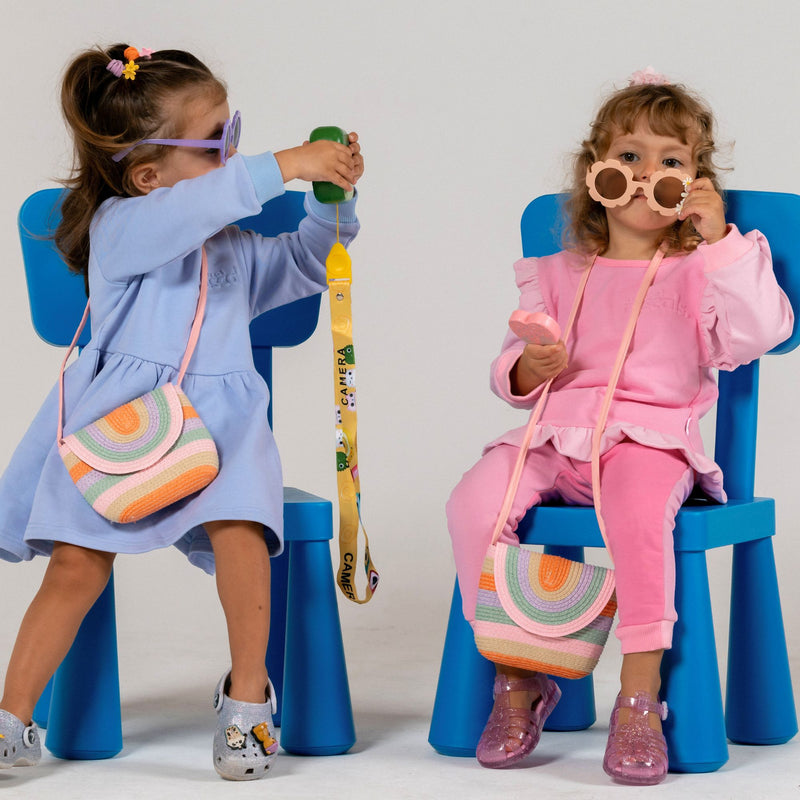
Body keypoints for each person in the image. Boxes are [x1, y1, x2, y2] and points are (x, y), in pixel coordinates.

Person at [0, 43, 364, 781]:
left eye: (236, 137)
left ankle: (248, 703)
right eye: (218, 145)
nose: (233, 160)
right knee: (74, 565)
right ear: (147, 174)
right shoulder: (121, 231)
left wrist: (335, 201)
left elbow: (303, 264)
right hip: (117, 430)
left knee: (243, 534)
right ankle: (12, 717)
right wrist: (282, 164)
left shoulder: (231, 249)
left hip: (221, 433)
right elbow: (199, 206)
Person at [446, 69, 793, 785]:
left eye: (672, 163)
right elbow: (510, 372)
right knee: (473, 501)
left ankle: (640, 695)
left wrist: (721, 237)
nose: (646, 176)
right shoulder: (562, 271)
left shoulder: (703, 270)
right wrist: (528, 368)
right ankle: (520, 676)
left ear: (695, 186)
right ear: (594, 170)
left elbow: (761, 331)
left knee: (638, 517)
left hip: (650, 443)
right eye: (629, 157)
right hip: (553, 439)